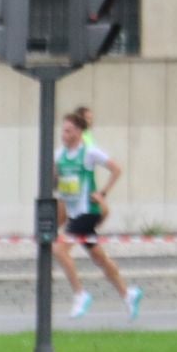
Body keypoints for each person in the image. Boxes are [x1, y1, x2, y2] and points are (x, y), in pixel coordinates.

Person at [49, 114, 141, 320]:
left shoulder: (89, 153)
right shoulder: (58, 155)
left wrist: (103, 193)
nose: (64, 134)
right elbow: (56, 183)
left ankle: (80, 294)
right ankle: (128, 295)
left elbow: (116, 169)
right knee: (100, 259)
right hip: (74, 213)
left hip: (89, 211)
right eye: (63, 130)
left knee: (59, 249)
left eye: (69, 130)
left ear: (79, 132)